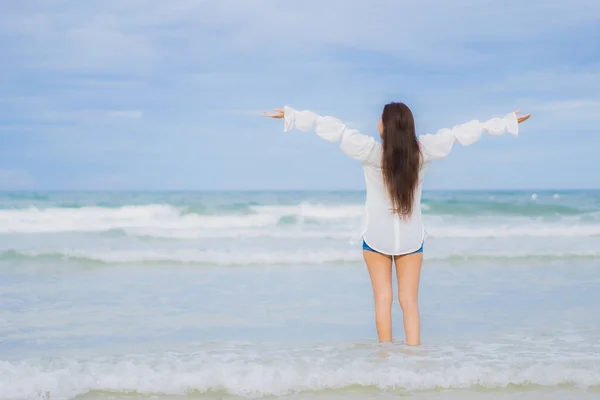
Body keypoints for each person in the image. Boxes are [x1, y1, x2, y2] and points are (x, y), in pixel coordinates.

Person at [264, 103, 531, 345]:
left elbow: (337, 130)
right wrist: (505, 123)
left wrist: (293, 115)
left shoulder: (370, 152)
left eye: (381, 118)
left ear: (386, 125)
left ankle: (386, 362)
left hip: (375, 238)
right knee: (409, 302)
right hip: (410, 238)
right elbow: (459, 134)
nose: (377, 122)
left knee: (383, 300)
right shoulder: (421, 153)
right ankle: (413, 362)